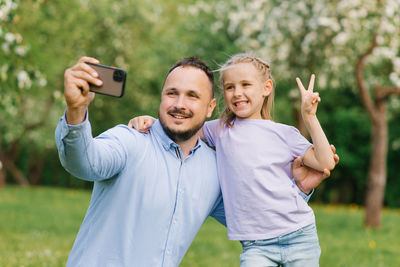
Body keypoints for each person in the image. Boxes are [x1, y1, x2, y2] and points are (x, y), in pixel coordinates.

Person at [56, 56, 337, 267]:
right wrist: (76, 111)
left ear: (210, 107)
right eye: (172, 93)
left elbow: (254, 214)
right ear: (161, 98)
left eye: (193, 96)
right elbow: (83, 163)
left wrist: (298, 189)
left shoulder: (214, 170)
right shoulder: (130, 141)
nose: (180, 104)